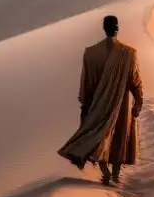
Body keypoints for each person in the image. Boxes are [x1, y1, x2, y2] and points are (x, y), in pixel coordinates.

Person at [57, 15, 143, 185]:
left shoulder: (91, 53)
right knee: (118, 138)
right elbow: (135, 82)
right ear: (117, 28)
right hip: (121, 104)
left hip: (98, 105)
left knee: (97, 137)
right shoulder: (129, 53)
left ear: (104, 28)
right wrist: (138, 103)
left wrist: (85, 105)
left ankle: (106, 173)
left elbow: (86, 83)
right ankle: (115, 177)